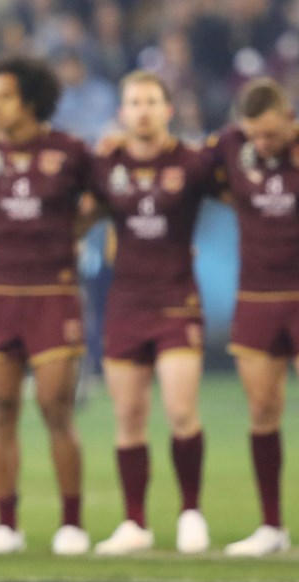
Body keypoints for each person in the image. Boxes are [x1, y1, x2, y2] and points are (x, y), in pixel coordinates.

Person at [208, 79, 299, 557]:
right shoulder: (230, 148)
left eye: (271, 134)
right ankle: (271, 526)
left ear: (291, 117)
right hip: (256, 296)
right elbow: (178, 166)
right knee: (262, 411)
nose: (263, 144)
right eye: (255, 135)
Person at [0, 55, 94, 556]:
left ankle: (72, 524)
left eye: (6, 97)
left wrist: (74, 231)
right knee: (2, 411)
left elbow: (101, 198)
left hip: (53, 294)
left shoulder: (70, 152)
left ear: (32, 101)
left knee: (56, 409)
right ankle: (6, 525)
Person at [87, 71, 218, 555]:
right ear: (122, 113)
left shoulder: (192, 162)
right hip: (126, 302)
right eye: (135, 102)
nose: (143, 111)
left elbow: (235, 185)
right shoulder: (106, 165)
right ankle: (135, 522)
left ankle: (191, 513)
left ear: (168, 110)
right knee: (128, 415)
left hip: (176, 300)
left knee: (181, 410)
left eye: (151, 102)